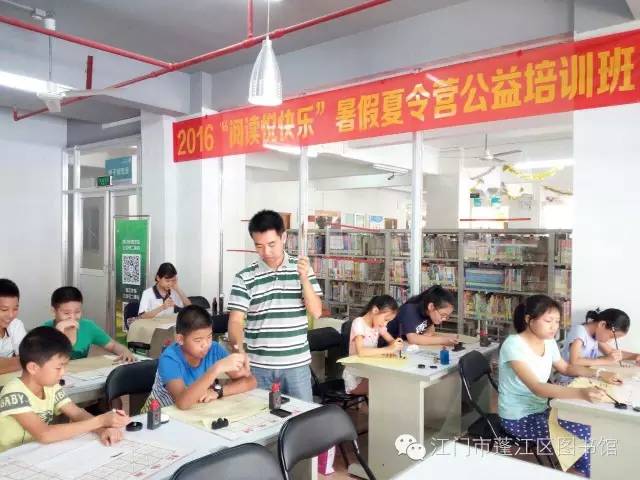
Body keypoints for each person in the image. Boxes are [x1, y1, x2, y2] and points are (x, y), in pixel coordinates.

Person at [499, 295, 622, 477]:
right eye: (548, 321)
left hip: (542, 409)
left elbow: (565, 368)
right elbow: (536, 387)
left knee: (589, 425)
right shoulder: (513, 345)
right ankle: (577, 473)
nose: (554, 327)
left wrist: (599, 374)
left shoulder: (548, 341)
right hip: (518, 417)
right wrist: (580, 393)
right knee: (584, 436)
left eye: (557, 321)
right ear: (529, 319)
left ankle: (579, 470)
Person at [228, 210, 323, 402]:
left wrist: (304, 279)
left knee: (302, 417)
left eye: (272, 244)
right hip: (258, 366)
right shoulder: (244, 277)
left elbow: (316, 312)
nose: (266, 252)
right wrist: (238, 349)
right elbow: (235, 321)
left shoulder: (302, 268)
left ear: (284, 237)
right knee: (258, 416)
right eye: (259, 246)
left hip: (296, 365)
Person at [0, 327, 130, 452]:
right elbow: (45, 434)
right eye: (58, 368)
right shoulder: (14, 393)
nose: (63, 372)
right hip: (9, 459)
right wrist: (100, 420)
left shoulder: (51, 387)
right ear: (33, 368)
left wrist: (102, 430)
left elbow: (77, 414)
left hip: (36, 452)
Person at [143, 305, 256, 410]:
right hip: (159, 415)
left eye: (209, 337)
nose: (206, 344)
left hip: (194, 412)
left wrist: (219, 392)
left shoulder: (214, 349)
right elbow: (182, 403)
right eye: (198, 340)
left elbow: (250, 381)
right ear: (180, 339)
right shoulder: (169, 358)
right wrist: (216, 369)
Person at [44, 287, 135, 362]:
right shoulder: (44, 330)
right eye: (66, 313)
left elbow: (113, 346)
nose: (73, 317)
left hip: (80, 375)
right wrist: (58, 333)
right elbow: (46, 362)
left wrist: (125, 351)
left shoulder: (88, 326)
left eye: (77, 312)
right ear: (54, 311)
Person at [343, 295, 402, 395]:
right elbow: (361, 352)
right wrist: (388, 349)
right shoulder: (359, 323)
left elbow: (391, 341)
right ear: (375, 310)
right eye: (386, 320)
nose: (385, 324)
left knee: (392, 379)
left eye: (388, 321)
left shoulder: (378, 325)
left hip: (370, 370)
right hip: (356, 377)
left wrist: (396, 344)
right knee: (388, 383)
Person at [386, 285, 458, 347]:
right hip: (386, 345)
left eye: (447, 316)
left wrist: (427, 335)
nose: (444, 319)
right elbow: (413, 339)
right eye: (443, 315)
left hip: (403, 346)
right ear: (431, 306)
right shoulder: (409, 310)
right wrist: (443, 340)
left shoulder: (428, 312)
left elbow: (430, 327)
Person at [0, 279, 26, 374]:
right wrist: (19, 361)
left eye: (15, 309)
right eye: (4, 309)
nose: (11, 315)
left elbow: (28, 357)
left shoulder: (16, 324)